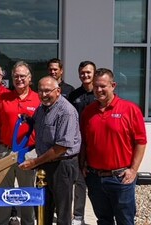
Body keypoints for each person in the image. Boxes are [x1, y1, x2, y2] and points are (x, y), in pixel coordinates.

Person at [80, 68, 147, 225]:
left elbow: (141, 142)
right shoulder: (88, 112)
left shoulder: (130, 109)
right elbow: (84, 141)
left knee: (125, 220)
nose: (98, 90)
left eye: (103, 86)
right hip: (95, 178)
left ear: (113, 85)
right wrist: (82, 164)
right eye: (95, 86)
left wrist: (133, 170)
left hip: (121, 178)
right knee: (103, 220)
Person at [19, 76, 81, 225]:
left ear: (58, 91)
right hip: (45, 164)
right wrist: (27, 119)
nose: (44, 94)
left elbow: (61, 147)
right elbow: (38, 127)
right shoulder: (42, 108)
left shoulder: (66, 112)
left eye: (48, 91)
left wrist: (34, 162)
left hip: (62, 165)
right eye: (40, 91)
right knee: (42, 207)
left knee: (62, 212)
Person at [0, 61, 40, 225]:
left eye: (22, 76)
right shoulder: (4, 98)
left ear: (29, 78)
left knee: (27, 192)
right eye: (16, 76)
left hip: (28, 153)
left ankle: (28, 222)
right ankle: (1, 222)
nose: (19, 79)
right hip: (5, 151)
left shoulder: (38, 99)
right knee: (3, 192)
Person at [68, 61, 97, 225]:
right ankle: (78, 216)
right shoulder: (74, 95)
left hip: (96, 144)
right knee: (79, 181)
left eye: (88, 72)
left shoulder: (99, 93)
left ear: (94, 73)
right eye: (82, 73)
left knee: (96, 183)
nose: (85, 75)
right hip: (78, 144)